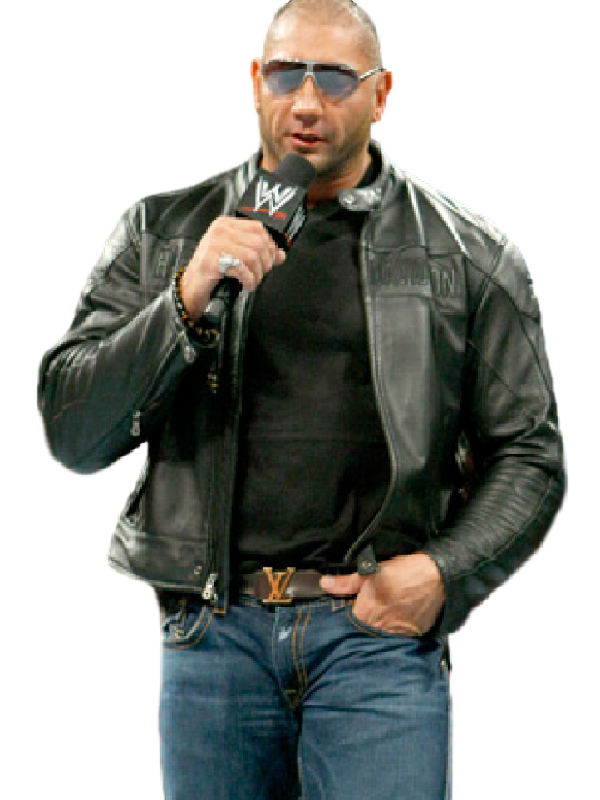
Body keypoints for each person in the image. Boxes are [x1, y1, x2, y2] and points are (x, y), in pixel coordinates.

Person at [37, 0, 565, 797]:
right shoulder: (163, 233)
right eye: (287, 75)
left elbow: (528, 452)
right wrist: (185, 296)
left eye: (337, 79)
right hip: (214, 638)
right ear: (257, 81)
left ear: (381, 93)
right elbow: (74, 432)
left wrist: (441, 572)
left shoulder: (469, 256)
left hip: (376, 643)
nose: (308, 102)